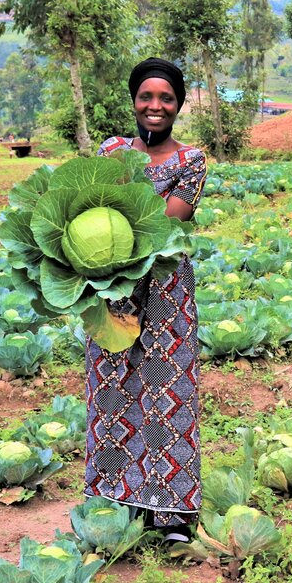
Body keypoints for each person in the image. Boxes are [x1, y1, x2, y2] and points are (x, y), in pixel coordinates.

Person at [85, 57, 206, 542]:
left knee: (164, 390)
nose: (155, 106)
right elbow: (92, 207)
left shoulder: (191, 160)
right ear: (134, 100)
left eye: (166, 99)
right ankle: (115, 499)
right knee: (111, 388)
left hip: (165, 289)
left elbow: (162, 224)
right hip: (110, 288)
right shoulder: (110, 150)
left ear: (178, 105)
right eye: (146, 97)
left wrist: (120, 213)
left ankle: (169, 509)